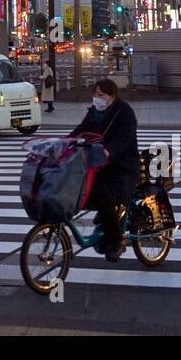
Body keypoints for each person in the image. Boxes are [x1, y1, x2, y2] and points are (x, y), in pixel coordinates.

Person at [69, 78, 139, 262]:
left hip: (122, 167)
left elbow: (125, 138)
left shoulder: (124, 111)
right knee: (81, 192)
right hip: (99, 165)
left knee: (103, 196)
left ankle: (117, 240)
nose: (97, 99)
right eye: (94, 94)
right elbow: (82, 129)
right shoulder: (95, 112)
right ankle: (108, 217)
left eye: (101, 95)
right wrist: (66, 142)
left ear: (112, 96)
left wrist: (109, 151)